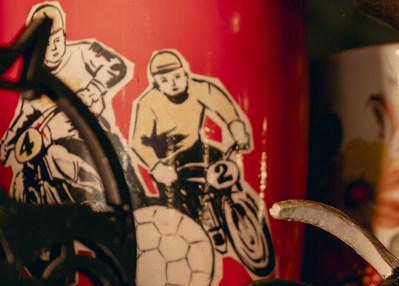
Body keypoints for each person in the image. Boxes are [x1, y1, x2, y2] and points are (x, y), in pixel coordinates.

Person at [0, 2, 131, 205]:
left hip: (83, 139)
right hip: (47, 142)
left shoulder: (84, 51)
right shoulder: (33, 72)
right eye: (48, 42)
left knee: (61, 158)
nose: (53, 47)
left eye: (57, 40)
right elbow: (26, 115)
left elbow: (116, 65)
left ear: (64, 36)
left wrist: (95, 87)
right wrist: (7, 144)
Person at [129, 49, 251, 218]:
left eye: (177, 76)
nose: (173, 83)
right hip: (167, 163)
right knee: (179, 210)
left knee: (223, 164)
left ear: (185, 74)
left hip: (195, 149)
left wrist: (237, 129)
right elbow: (138, 142)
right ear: (156, 84)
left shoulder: (200, 89)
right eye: (164, 80)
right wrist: (156, 166)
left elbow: (224, 107)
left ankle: (237, 204)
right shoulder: (148, 103)